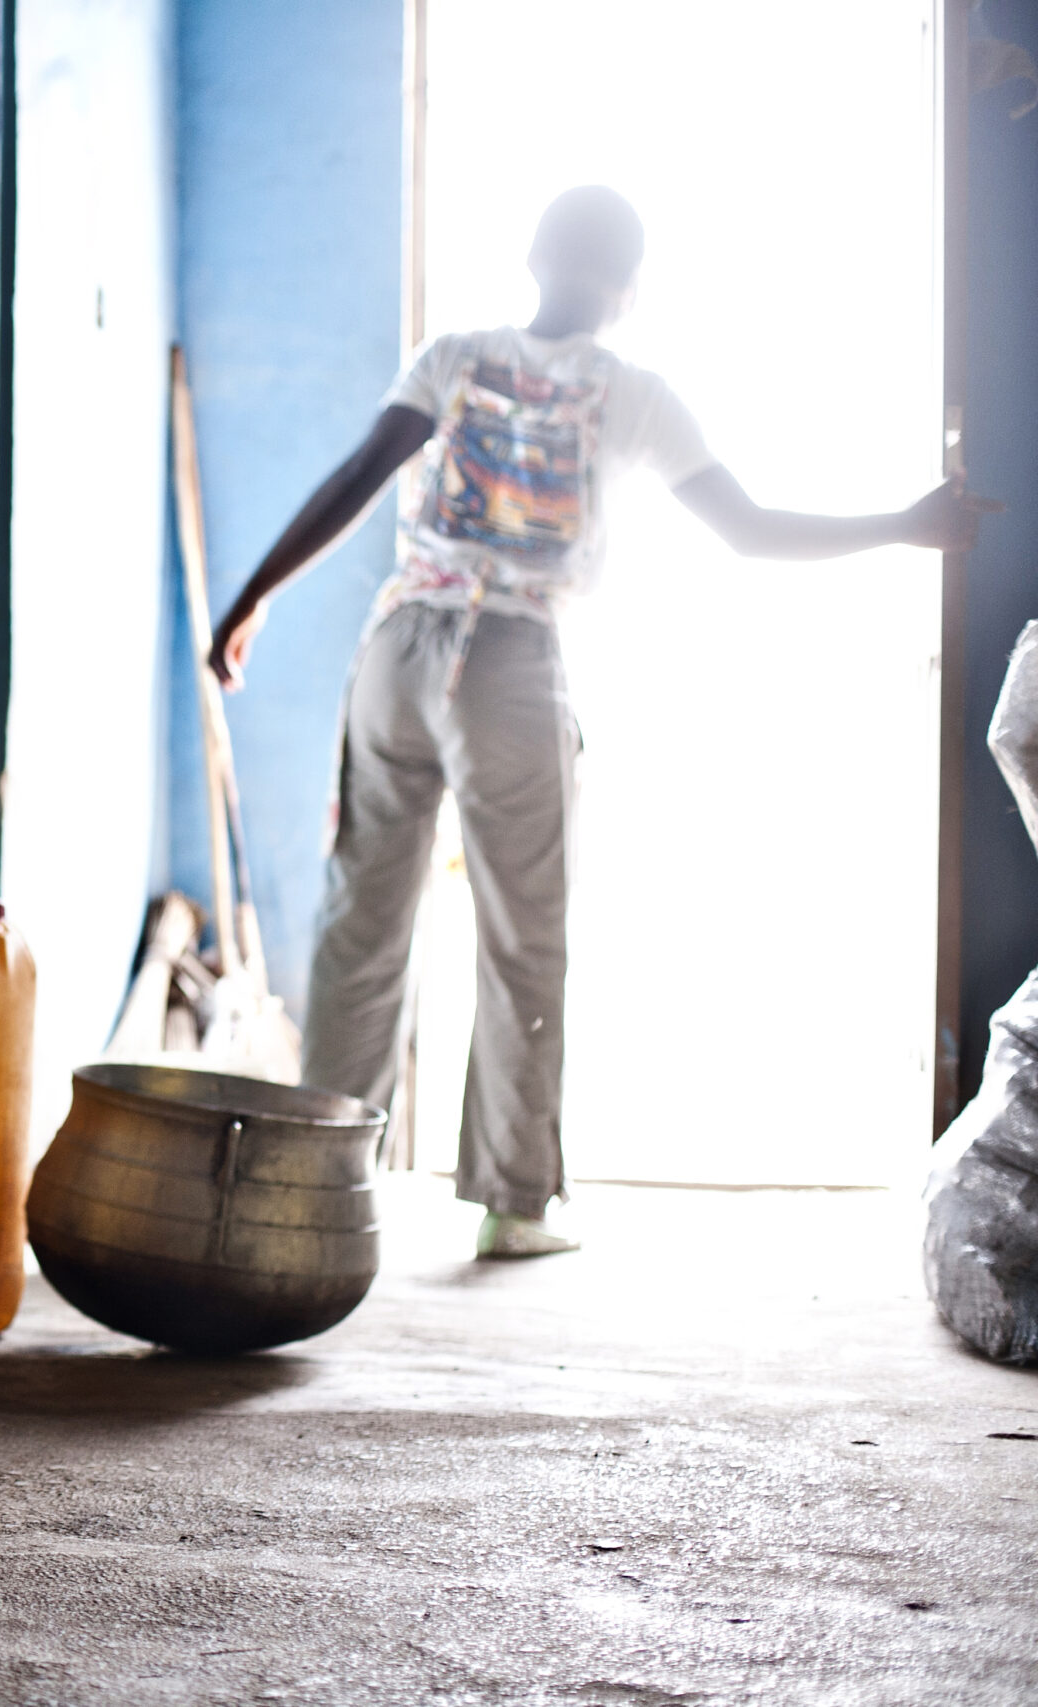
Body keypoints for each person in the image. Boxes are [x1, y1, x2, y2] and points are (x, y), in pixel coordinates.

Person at [209, 185, 996, 1260]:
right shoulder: (632, 393)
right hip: (513, 668)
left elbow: (356, 478)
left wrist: (252, 595)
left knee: (359, 926)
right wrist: (904, 524)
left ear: (532, 257)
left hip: (398, 649)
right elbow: (750, 531)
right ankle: (513, 1206)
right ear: (629, 289)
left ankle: (312, 1193)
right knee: (521, 936)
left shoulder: (453, 355)